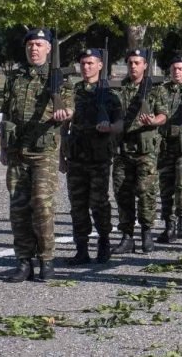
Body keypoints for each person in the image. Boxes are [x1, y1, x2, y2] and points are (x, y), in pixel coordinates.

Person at [0, 28, 73, 282]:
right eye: (31, 45)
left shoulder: (60, 79)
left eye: (39, 45)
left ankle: (47, 260)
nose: (34, 49)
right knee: (18, 208)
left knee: (42, 204)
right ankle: (23, 262)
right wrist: (3, 148)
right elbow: (6, 115)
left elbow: (69, 108)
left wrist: (63, 112)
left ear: (49, 48)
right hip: (17, 151)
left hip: (44, 152)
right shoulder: (15, 78)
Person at [61, 48, 122, 266]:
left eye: (90, 63)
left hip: (99, 159)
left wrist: (110, 128)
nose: (86, 67)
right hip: (76, 156)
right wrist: (62, 156)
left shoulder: (111, 95)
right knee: (77, 204)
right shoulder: (72, 92)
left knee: (99, 203)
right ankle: (81, 249)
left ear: (100, 65)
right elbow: (64, 125)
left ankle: (104, 243)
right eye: (83, 63)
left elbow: (120, 123)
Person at [113, 49, 167, 255]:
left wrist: (154, 121)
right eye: (130, 63)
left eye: (137, 63)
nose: (133, 66)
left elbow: (163, 115)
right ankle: (127, 236)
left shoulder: (155, 89)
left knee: (146, 193)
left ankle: (146, 232)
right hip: (123, 149)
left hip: (146, 151)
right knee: (122, 193)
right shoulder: (119, 89)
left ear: (145, 65)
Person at [156, 55, 182, 243]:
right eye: (174, 68)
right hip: (166, 144)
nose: (177, 72)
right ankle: (169, 225)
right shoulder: (161, 91)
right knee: (165, 187)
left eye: (181, 69)